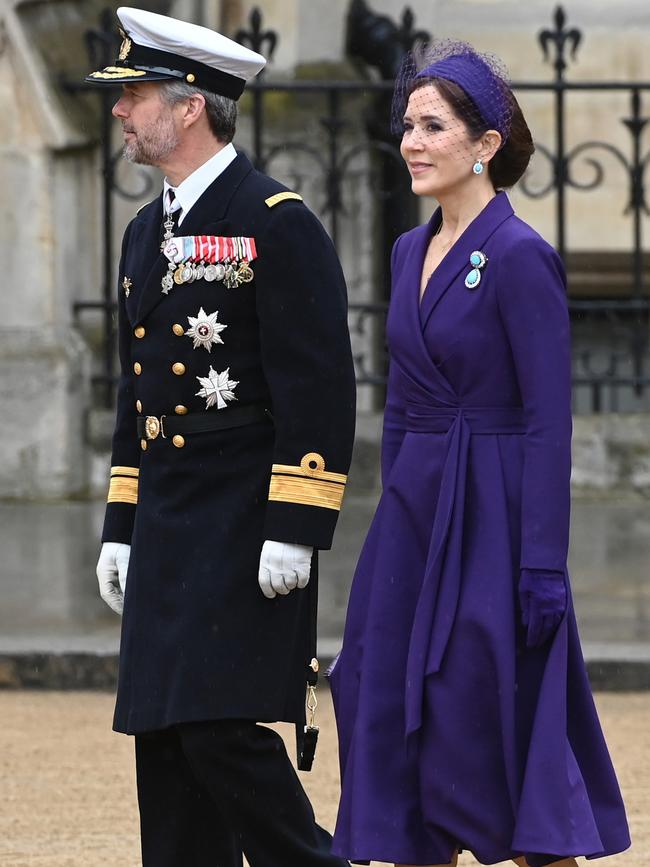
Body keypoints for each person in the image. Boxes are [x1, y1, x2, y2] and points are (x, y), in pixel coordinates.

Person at [328, 42, 630, 867]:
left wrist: (542, 562)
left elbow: (548, 421)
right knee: (382, 702)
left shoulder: (523, 256)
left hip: (495, 517)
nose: (412, 143)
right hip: (415, 519)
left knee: (484, 720)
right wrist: (395, 514)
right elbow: (400, 401)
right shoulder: (403, 251)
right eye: (407, 127)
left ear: (485, 144)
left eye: (433, 127)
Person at [89, 7, 356, 866]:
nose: (122, 113)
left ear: (190, 104)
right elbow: (139, 401)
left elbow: (318, 391)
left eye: (134, 95)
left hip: (245, 522)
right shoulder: (142, 233)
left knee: (215, 731)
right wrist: (120, 526)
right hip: (168, 523)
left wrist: (298, 525)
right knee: (163, 744)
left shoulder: (276, 220)